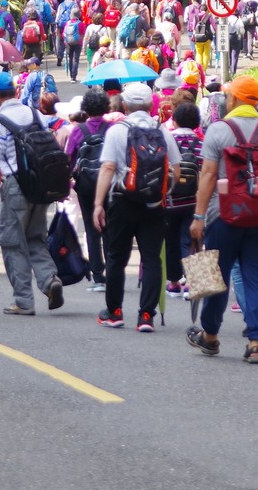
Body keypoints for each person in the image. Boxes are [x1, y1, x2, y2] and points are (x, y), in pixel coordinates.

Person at [186, 74, 258, 365]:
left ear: (232, 99)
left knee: (216, 276)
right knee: (257, 277)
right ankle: (256, 342)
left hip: (222, 216)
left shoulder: (219, 130)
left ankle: (210, 336)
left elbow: (208, 176)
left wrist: (198, 217)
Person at [93, 82, 182, 332]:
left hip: (122, 200)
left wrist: (98, 204)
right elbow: (176, 168)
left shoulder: (117, 130)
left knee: (117, 256)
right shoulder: (161, 130)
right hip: (154, 203)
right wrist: (163, 190)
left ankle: (114, 312)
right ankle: (146, 316)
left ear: (124, 105)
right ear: (150, 105)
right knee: (152, 258)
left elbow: (108, 168)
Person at [0, 72, 63, 315]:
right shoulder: (34, 114)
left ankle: (23, 301)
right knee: (35, 237)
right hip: (41, 185)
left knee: (13, 242)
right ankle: (49, 280)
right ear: (15, 92)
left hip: (16, 186)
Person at [66, 86, 116, 291]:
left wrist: (69, 180)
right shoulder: (112, 129)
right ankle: (113, 271)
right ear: (106, 107)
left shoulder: (79, 130)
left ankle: (98, 275)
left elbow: (69, 156)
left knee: (91, 227)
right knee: (109, 228)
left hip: (85, 185)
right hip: (109, 183)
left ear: (85, 108)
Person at [163, 98, 204, 297]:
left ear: (175, 120)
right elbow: (206, 171)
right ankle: (192, 281)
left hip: (170, 200)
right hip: (194, 201)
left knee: (170, 241)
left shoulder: (167, 139)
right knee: (192, 240)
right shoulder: (201, 143)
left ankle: (173, 283)